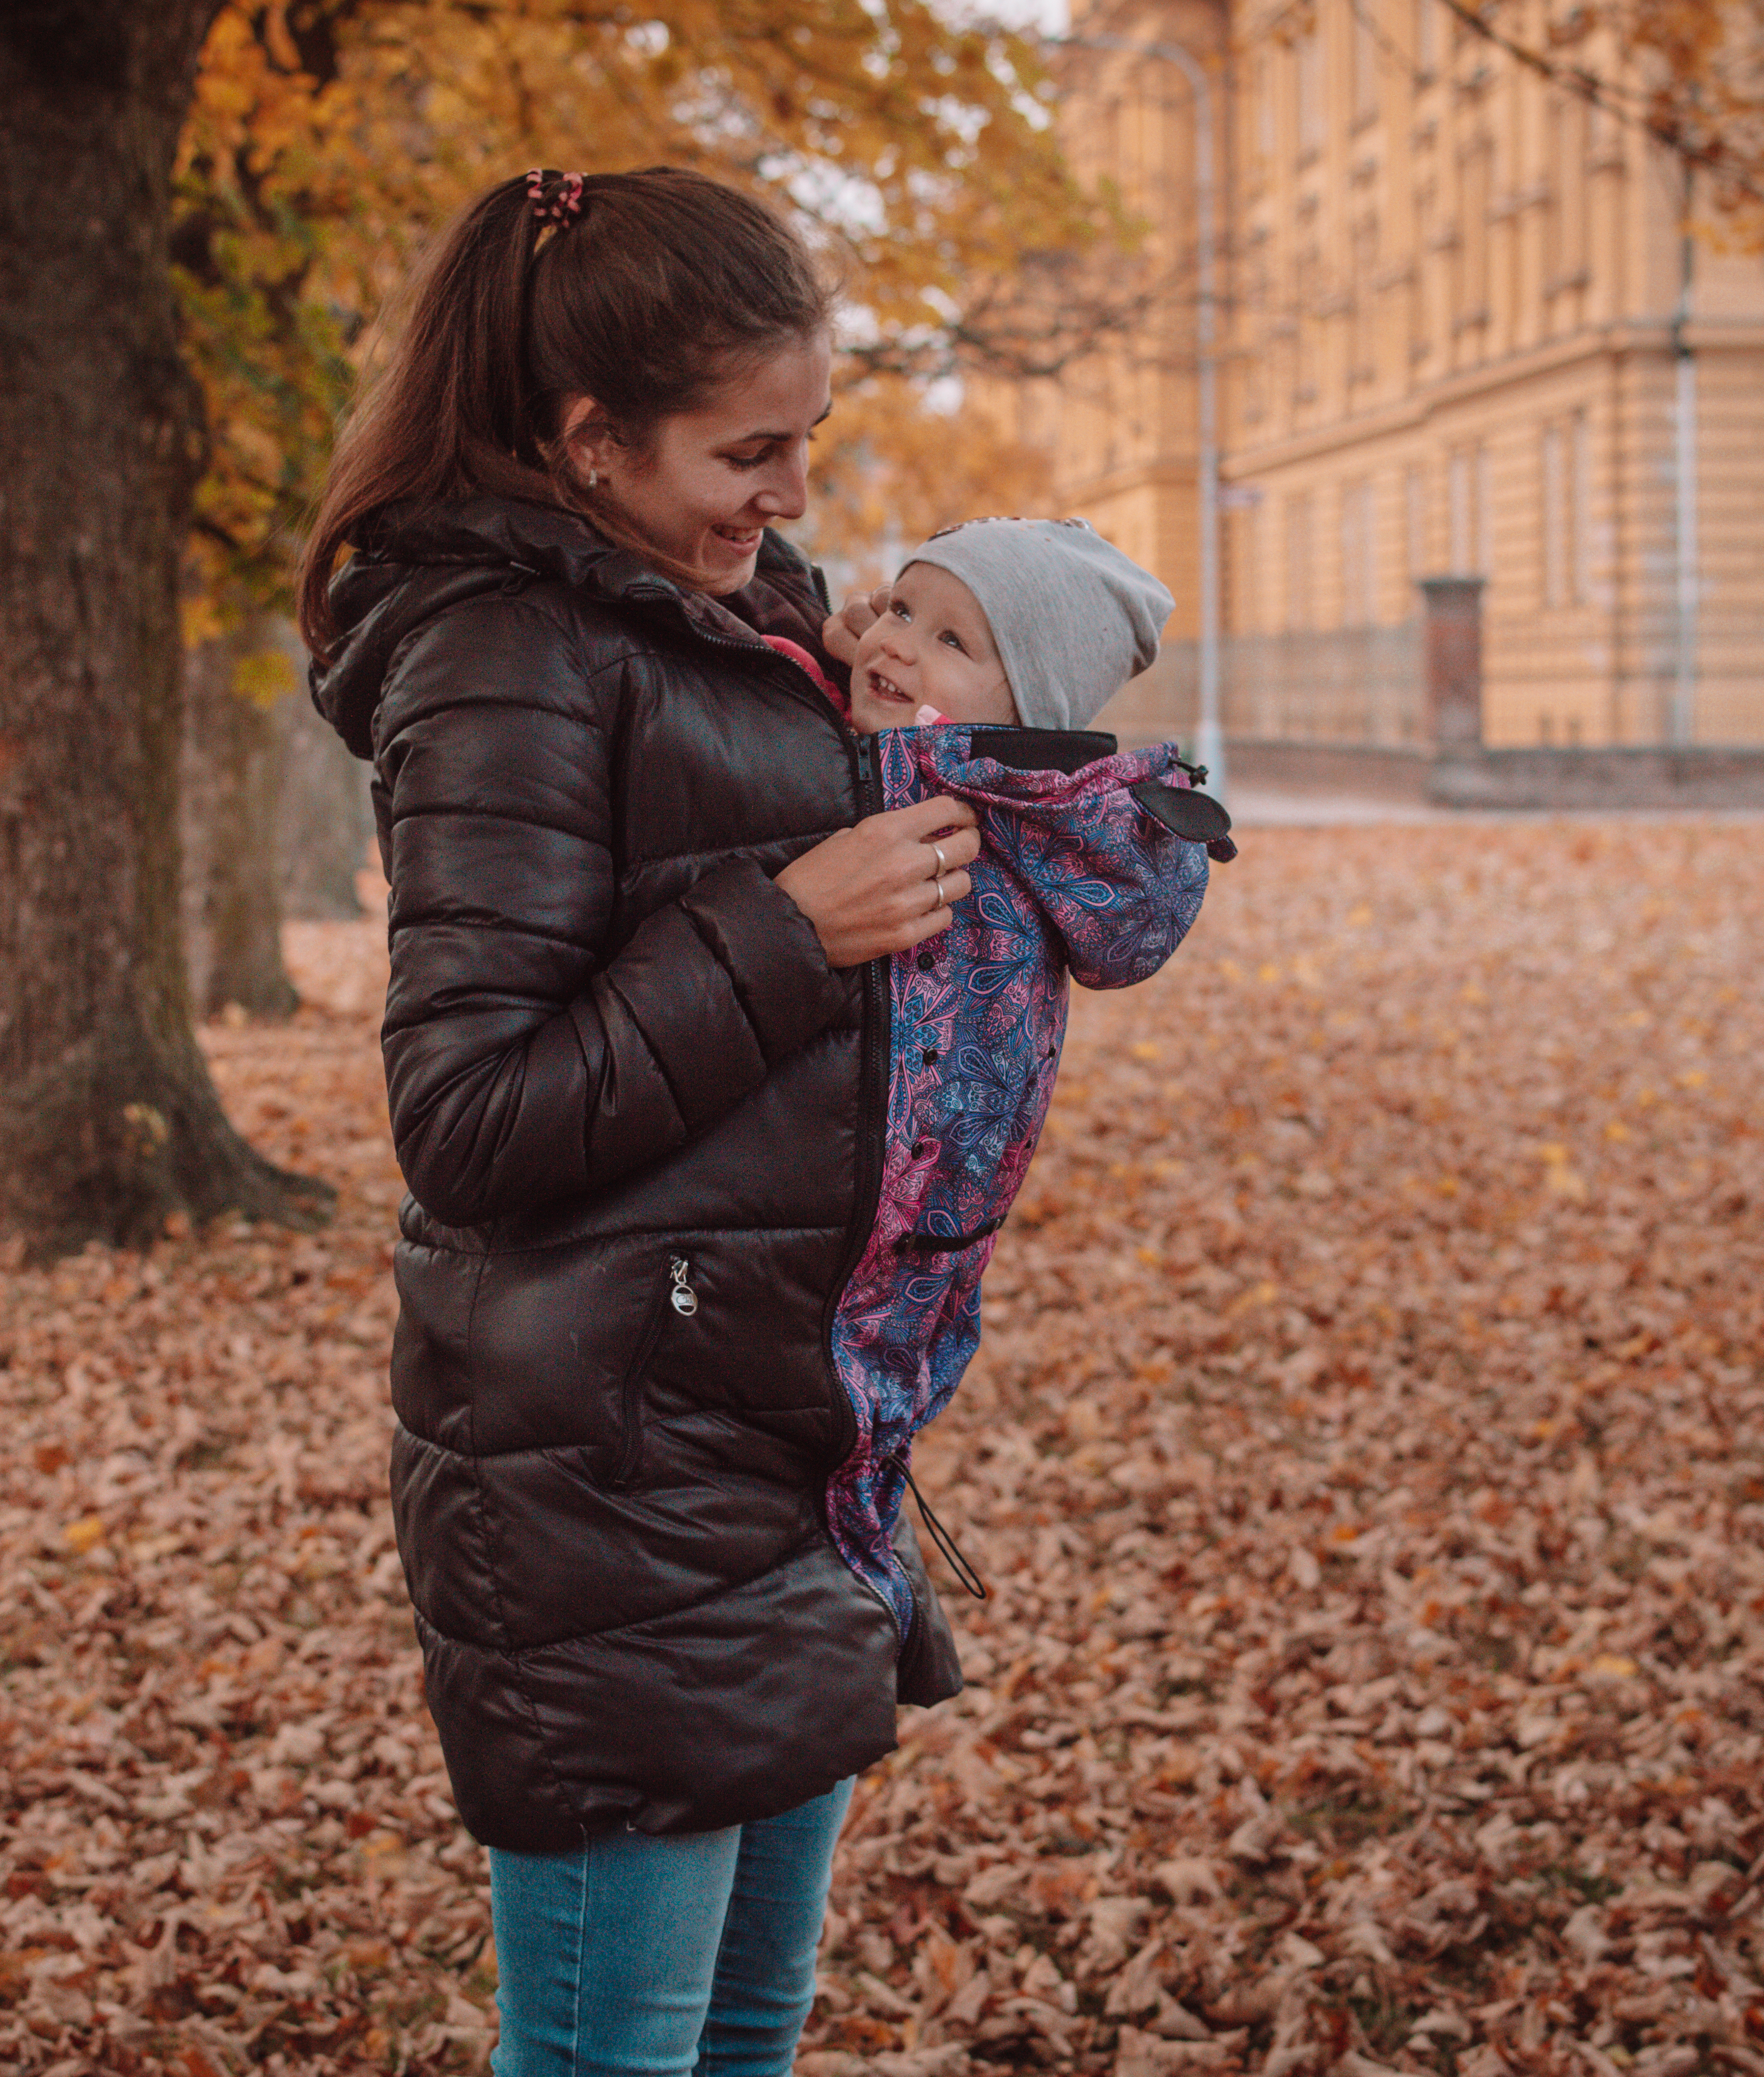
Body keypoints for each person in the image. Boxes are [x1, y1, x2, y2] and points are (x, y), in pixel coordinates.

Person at [300, 166, 987, 2077]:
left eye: (806, 445)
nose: (787, 493)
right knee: (617, 2060)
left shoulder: (723, 613)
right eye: (743, 451)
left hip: (777, 1440)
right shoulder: (500, 655)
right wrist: (789, 926)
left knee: (746, 2032)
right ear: (587, 440)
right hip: (608, 1482)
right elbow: (470, 1117)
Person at [806, 518, 1234, 1641]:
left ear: (1022, 706)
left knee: (858, 1437)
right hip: (823, 1210)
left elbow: (1125, 923)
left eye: (952, 638)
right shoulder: (845, 755)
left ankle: (860, 1587)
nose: (898, 644)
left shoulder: (1027, 825)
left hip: (920, 1227)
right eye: (900, 609)